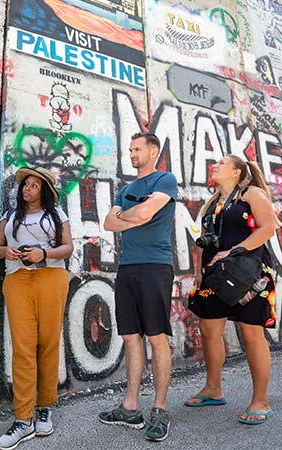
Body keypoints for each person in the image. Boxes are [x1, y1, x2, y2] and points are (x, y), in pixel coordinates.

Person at [185, 155, 279, 426]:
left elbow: (267, 229)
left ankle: (260, 400)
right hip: (215, 276)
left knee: (251, 333)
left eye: (223, 163)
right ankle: (213, 389)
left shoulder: (252, 194)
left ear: (237, 172)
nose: (215, 164)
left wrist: (232, 252)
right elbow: (205, 243)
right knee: (209, 330)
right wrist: (198, 272)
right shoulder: (211, 203)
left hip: (250, 274)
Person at [98, 132, 178, 442]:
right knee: (131, 337)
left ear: (153, 151)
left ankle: (159, 409)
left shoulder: (165, 179)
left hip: (155, 266)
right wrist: (134, 217)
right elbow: (109, 223)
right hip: (127, 267)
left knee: (156, 337)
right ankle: (130, 407)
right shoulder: (127, 188)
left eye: (137, 149)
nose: (131, 154)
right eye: (129, 149)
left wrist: (128, 216)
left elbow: (144, 213)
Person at [0, 167, 73, 450]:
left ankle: (45, 406)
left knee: (48, 344)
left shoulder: (57, 215)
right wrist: (7, 252)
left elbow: (68, 248)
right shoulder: (10, 216)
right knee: (23, 348)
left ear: (45, 191)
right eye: (25, 184)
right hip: (18, 280)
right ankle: (23, 419)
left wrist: (44, 253)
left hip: (51, 278)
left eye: (34, 185)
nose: (27, 188)